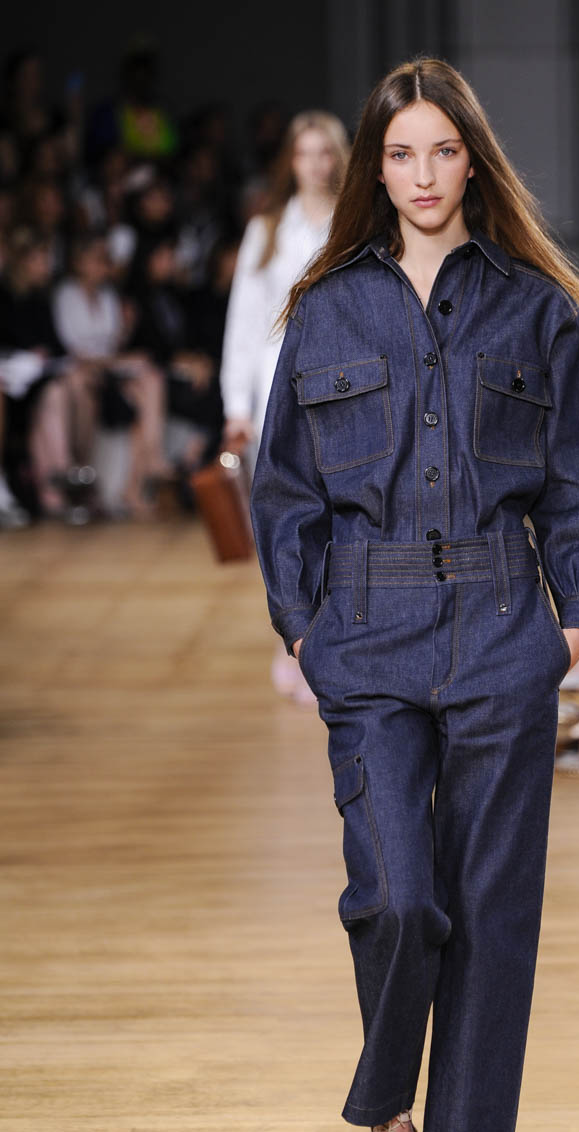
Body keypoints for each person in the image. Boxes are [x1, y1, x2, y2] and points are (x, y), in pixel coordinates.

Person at [249, 56, 579, 1132]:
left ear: (473, 160)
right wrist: (301, 626)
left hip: (501, 624)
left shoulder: (537, 307)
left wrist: (570, 627)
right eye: (400, 153)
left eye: (442, 151)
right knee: (397, 895)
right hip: (365, 628)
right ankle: (385, 1127)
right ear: (375, 166)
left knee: (490, 910)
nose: (421, 175)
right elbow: (284, 486)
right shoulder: (325, 307)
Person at [221, 109, 349, 702]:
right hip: (275, 390)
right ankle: (294, 641)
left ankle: (331, 642)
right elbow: (244, 321)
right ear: (290, 161)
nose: (316, 164)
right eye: (305, 153)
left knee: (338, 516)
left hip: (342, 388)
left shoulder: (356, 222)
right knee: (285, 520)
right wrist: (236, 405)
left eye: (325, 152)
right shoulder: (267, 229)